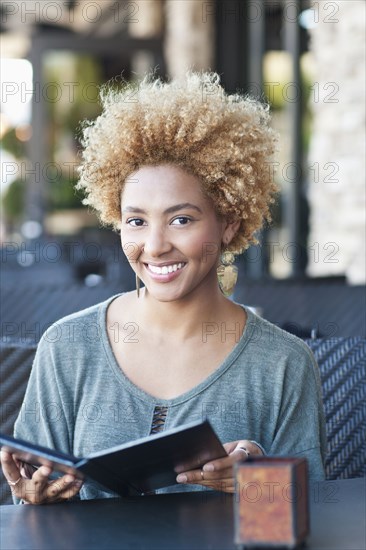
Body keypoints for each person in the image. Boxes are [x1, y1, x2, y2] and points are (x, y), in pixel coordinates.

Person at [1, 71, 327, 504]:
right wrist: (33, 501)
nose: (154, 246)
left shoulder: (284, 363)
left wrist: (262, 478)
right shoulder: (68, 345)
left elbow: (317, 511)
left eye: (181, 219)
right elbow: (33, 500)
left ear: (229, 222)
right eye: (136, 221)